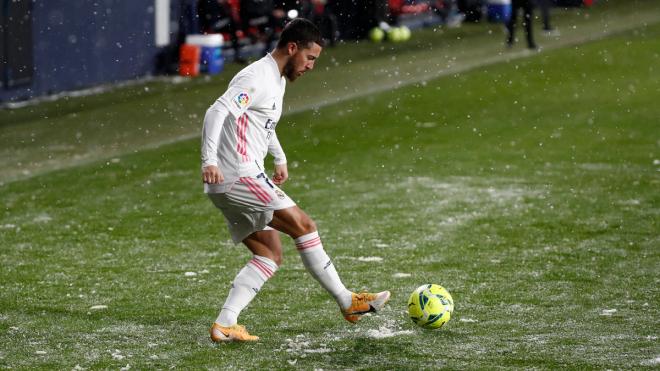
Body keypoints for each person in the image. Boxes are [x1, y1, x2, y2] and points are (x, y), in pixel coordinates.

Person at [201, 18, 391, 342]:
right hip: (238, 174)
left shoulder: (276, 79)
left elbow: (263, 121)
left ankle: (225, 323)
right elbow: (216, 112)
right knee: (304, 225)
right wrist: (210, 160)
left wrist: (280, 156)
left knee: (269, 254)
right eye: (310, 58)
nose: (311, 66)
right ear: (292, 48)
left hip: (234, 179)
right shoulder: (257, 77)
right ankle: (348, 301)